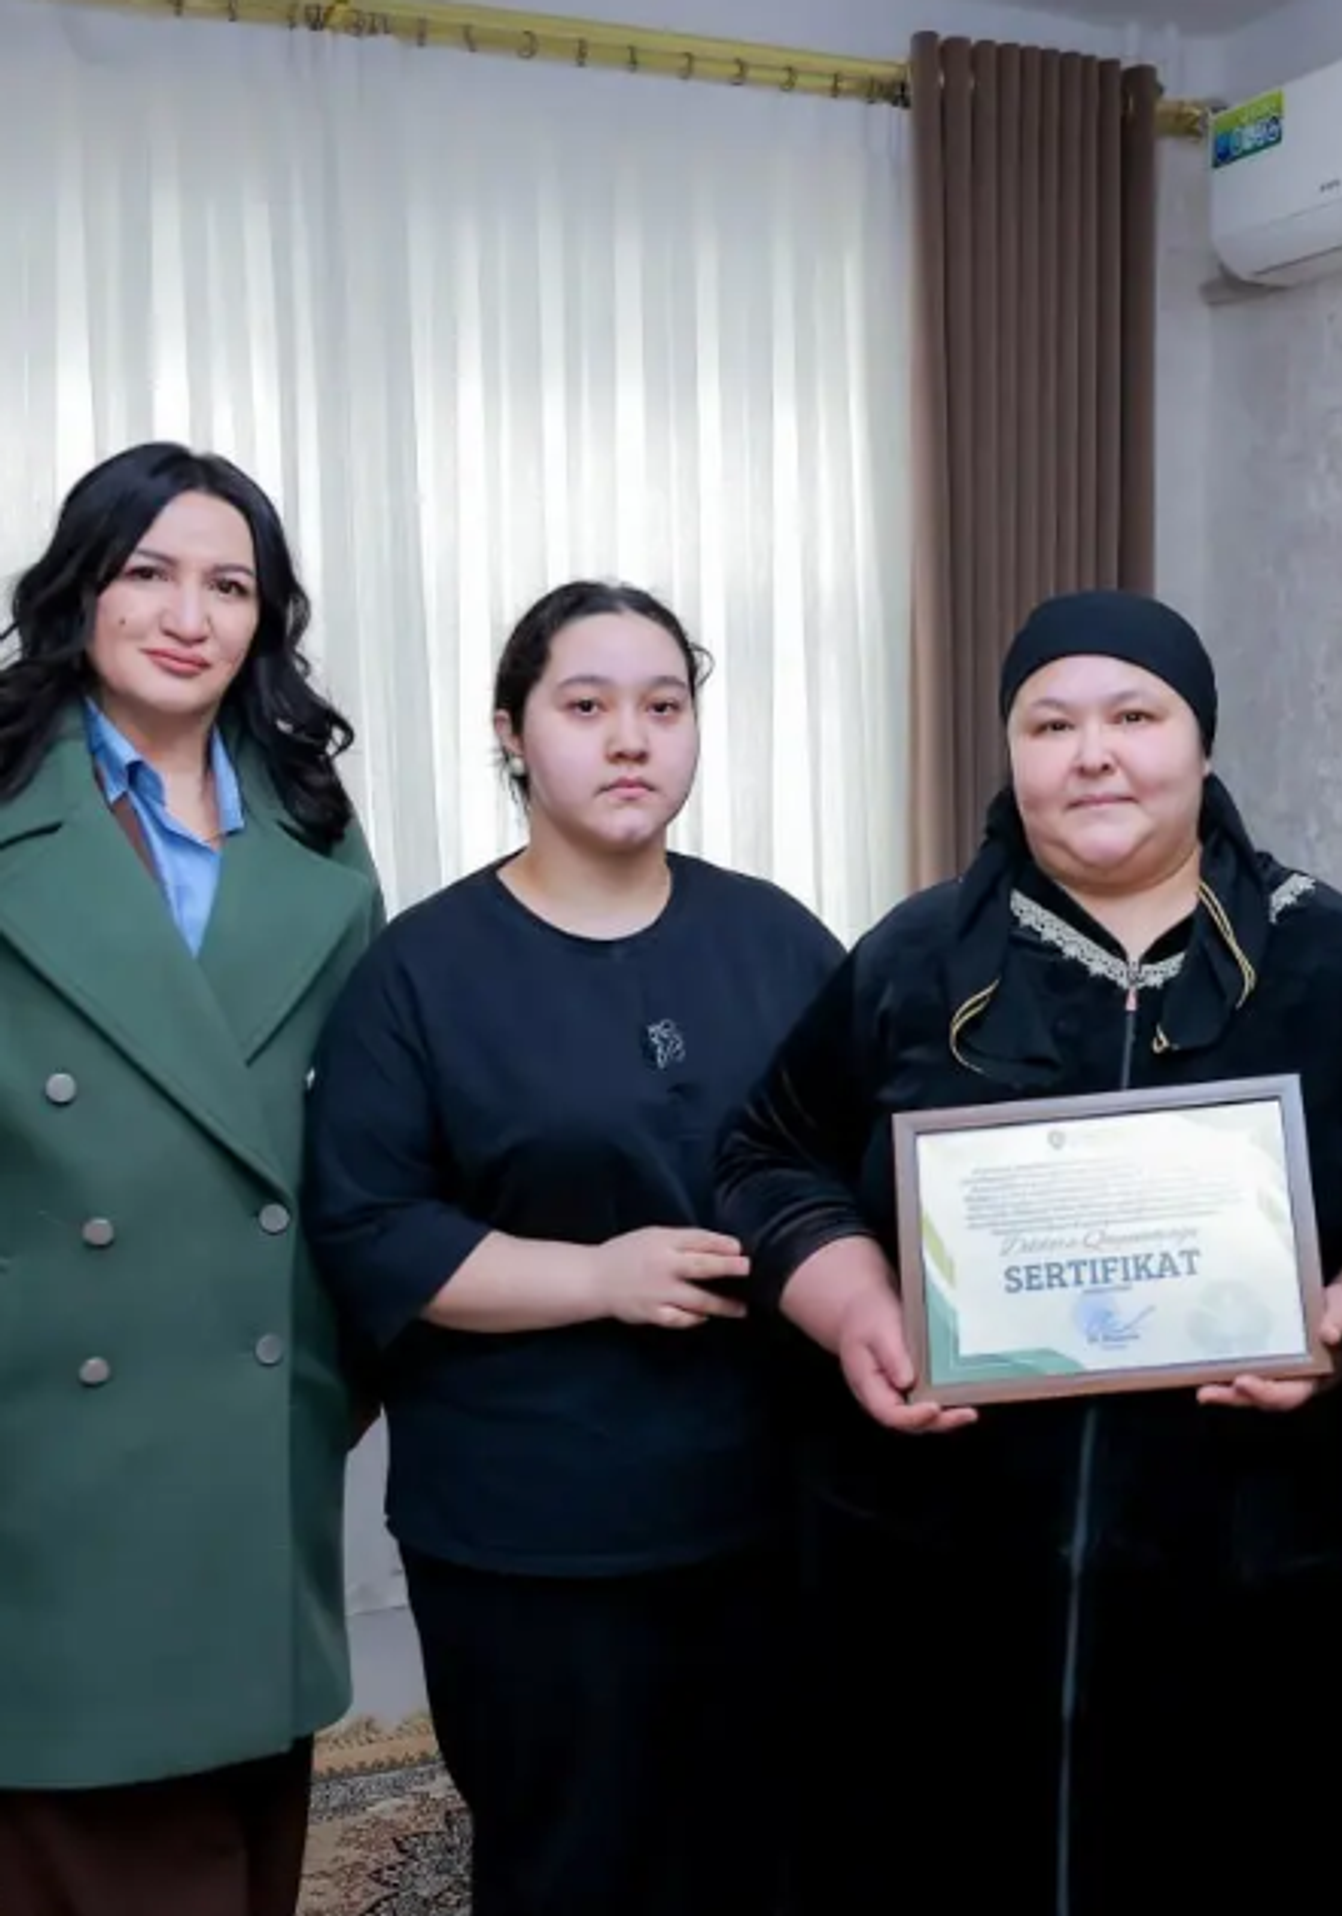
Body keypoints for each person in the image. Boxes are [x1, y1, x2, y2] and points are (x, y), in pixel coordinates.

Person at [713, 589, 1342, 1916]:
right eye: (1050, 725)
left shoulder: (1334, 963)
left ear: (1201, 743)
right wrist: (853, 1301)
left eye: (1134, 717)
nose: (1092, 754)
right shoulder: (916, 957)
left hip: (1253, 1589)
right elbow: (767, 1154)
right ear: (1011, 754)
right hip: (941, 1586)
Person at [301, 579, 844, 1916]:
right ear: (511, 732)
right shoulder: (422, 971)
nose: (631, 739)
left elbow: (867, 1161)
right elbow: (372, 1224)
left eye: (664, 706)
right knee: (572, 1863)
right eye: (586, 706)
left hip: (763, 1508)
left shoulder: (776, 939)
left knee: (769, 1855)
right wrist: (598, 1277)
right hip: (532, 1529)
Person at [0, 442, 384, 1916]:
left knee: (238, 1839)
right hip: (49, 1421)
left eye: (230, 585)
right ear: (80, 589)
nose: (187, 614)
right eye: (148, 572)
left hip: (251, 1412)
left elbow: (357, 1115)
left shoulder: (313, 823)